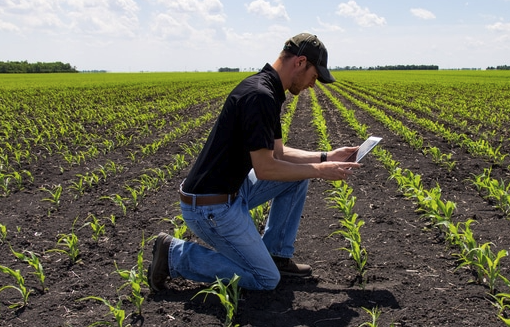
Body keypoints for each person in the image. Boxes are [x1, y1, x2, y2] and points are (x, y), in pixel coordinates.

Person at [147, 33, 360, 292]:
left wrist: (327, 156)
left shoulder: (267, 89)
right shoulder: (260, 96)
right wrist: (320, 170)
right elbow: (266, 168)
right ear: (301, 62)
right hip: (210, 208)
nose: (313, 85)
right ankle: (174, 255)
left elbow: (278, 154)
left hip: (228, 191)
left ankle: (276, 255)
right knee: (265, 279)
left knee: (296, 178)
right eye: (315, 76)